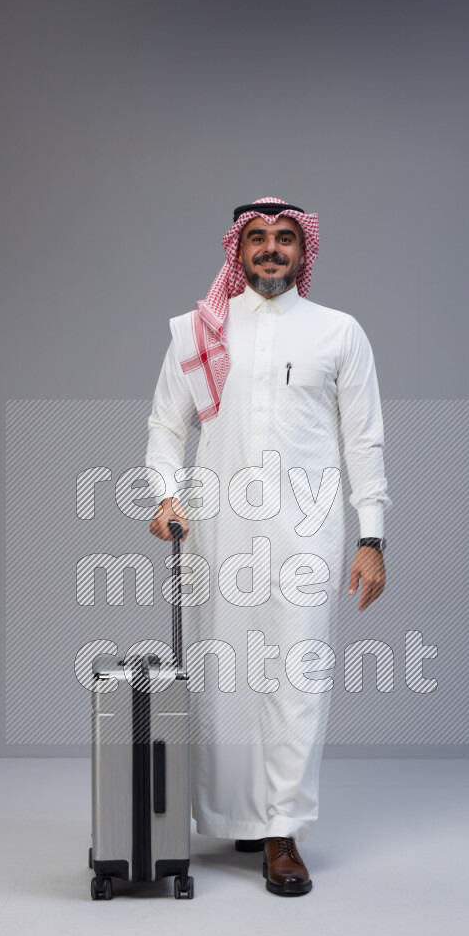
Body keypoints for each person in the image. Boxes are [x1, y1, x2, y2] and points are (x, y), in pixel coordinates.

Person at [145, 197, 390, 896]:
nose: (273, 249)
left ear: (304, 252)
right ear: (238, 249)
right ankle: (241, 817)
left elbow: (364, 441)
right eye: (259, 239)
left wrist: (372, 536)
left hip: (307, 535)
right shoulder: (200, 331)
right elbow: (167, 425)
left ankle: (282, 831)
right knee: (225, 679)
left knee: (296, 678)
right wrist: (165, 492)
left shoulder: (339, 333)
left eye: (286, 239)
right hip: (218, 531)